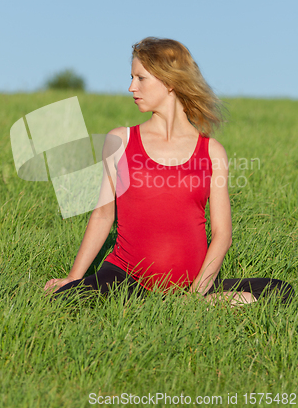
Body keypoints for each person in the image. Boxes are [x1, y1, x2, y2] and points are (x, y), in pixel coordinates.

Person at [44, 37, 294, 306]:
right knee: (66, 300)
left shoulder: (212, 152)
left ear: (170, 81)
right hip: (125, 277)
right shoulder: (121, 141)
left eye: (141, 78)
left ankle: (193, 303)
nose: (131, 87)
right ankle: (186, 305)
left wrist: (197, 292)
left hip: (193, 284)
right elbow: (104, 215)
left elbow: (223, 234)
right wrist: (73, 277)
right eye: (131, 77)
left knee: (281, 292)